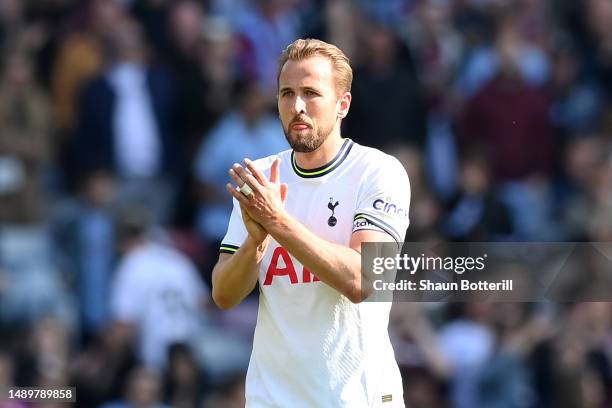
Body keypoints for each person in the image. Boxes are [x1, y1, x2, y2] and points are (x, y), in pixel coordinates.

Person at [212, 38, 411, 407]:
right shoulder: (262, 177)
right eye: (286, 93)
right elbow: (224, 294)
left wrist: (277, 222)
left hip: (357, 398)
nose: (297, 106)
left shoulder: (378, 172)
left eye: (310, 93)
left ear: (342, 104)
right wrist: (254, 244)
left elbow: (365, 280)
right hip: (273, 399)